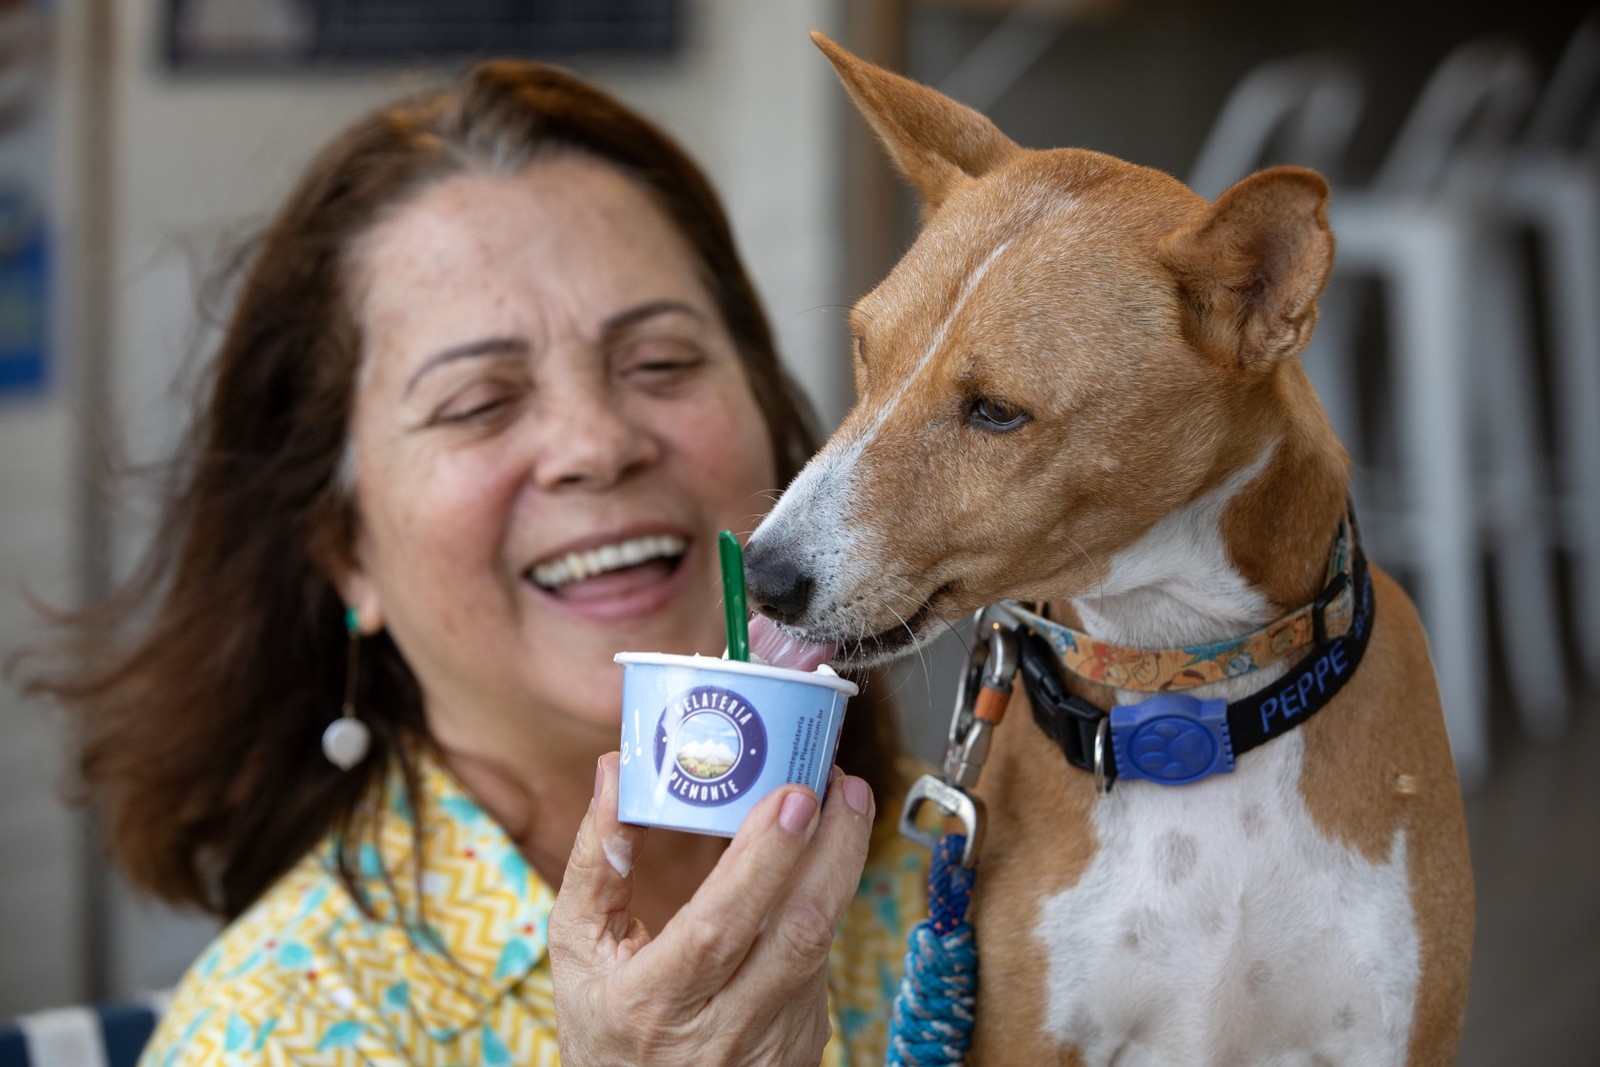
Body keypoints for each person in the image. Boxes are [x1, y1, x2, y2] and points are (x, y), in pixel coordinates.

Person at [18, 58, 927, 1065]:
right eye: (478, 403)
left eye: (661, 362)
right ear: (342, 547)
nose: (596, 441)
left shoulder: (975, 863)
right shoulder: (277, 1033)